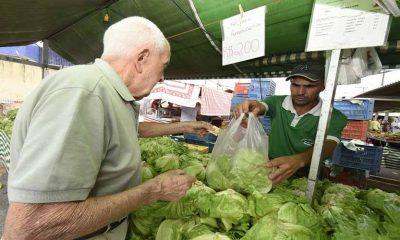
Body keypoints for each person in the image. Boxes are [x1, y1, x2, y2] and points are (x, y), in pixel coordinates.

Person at [3, 17, 212, 240]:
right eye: (163, 66)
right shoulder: (84, 93)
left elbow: (129, 130)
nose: (162, 77)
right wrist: (155, 189)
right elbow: (34, 224)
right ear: (141, 59)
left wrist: (185, 126)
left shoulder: (107, 92)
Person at [234, 62, 347, 185]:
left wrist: (300, 160)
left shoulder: (334, 116)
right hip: (270, 168)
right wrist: (250, 106)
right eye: (295, 85)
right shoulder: (277, 102)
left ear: (322, 87)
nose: (300, 92)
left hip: (306, 173)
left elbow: (328, 145)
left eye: (309, 86)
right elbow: (260, 106)